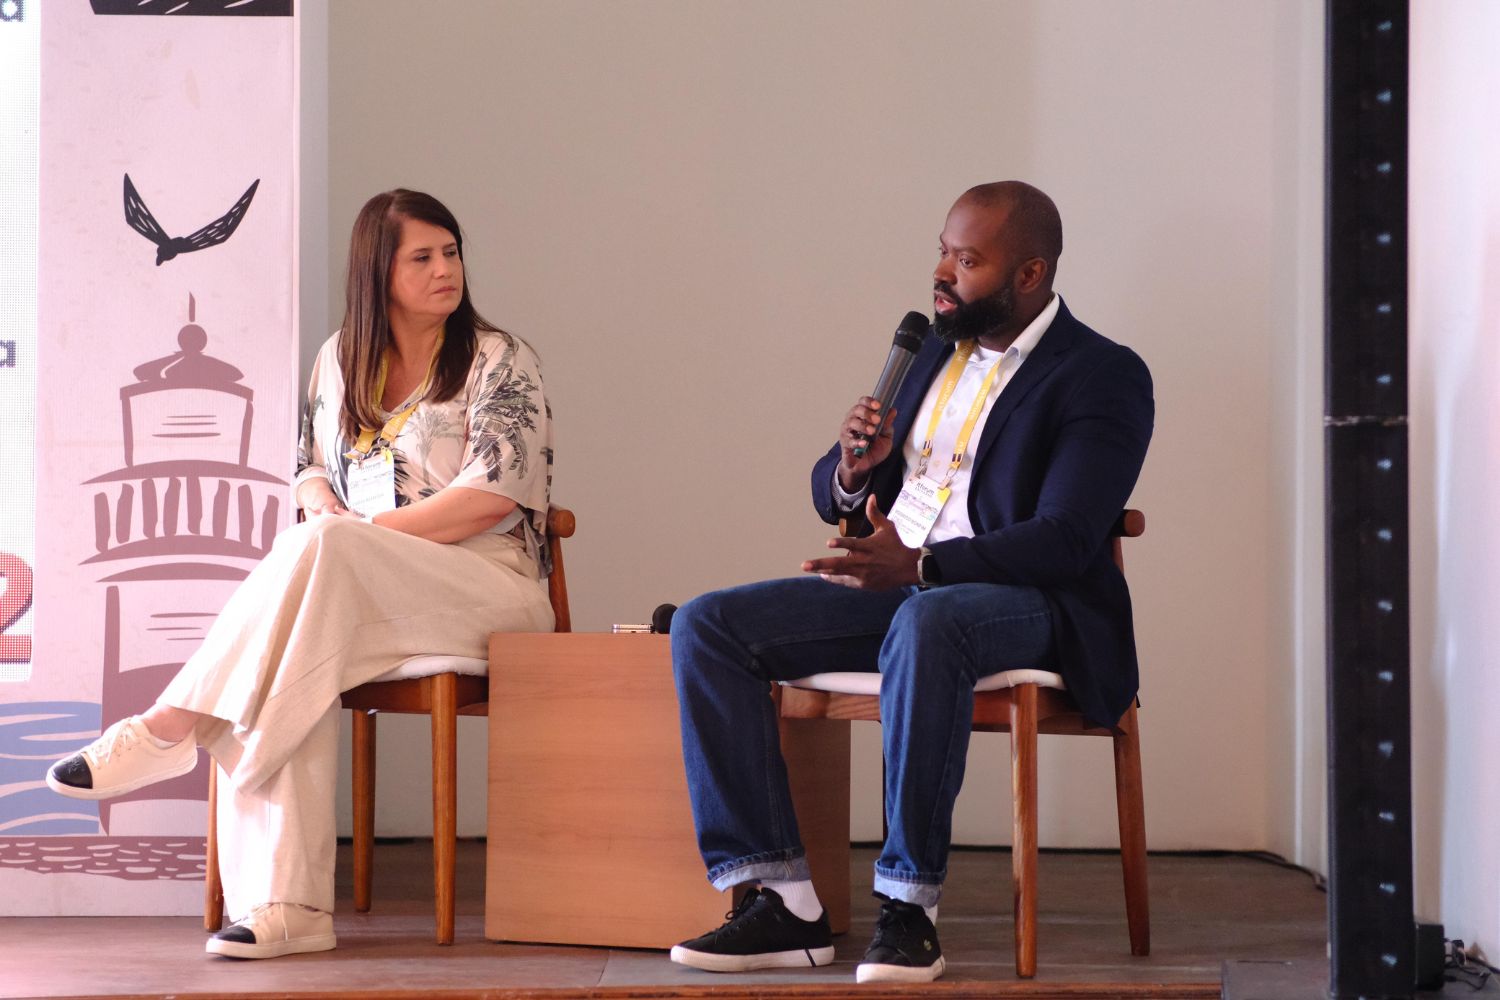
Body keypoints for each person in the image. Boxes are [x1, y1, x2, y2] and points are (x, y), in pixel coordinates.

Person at [47, 189, 555, 959]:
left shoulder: (498, 358)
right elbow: (306, 467)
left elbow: (490, 496)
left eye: (450, 252)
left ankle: (171, 726)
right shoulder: (339, 358)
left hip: (486, 587)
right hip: (358, 589)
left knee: (322, 561)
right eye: (422, 257)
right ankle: (288, 912)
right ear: (377, 273)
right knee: (300, 646)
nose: (445, 270)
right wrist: (327, 516)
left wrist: (359, 535)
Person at [668, 181, 1153, 984]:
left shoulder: (1102, 374)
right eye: (942, 250)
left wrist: (926, 568)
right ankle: (781, 901)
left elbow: (1067, 540)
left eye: (967, 260)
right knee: (708, 625)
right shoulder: (931, 353)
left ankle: (908, 908)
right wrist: (855, 472)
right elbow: (834, 489)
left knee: (930, 624)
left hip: (1029, 602)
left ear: (1028, 275)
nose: (942, 273)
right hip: (905, 586)